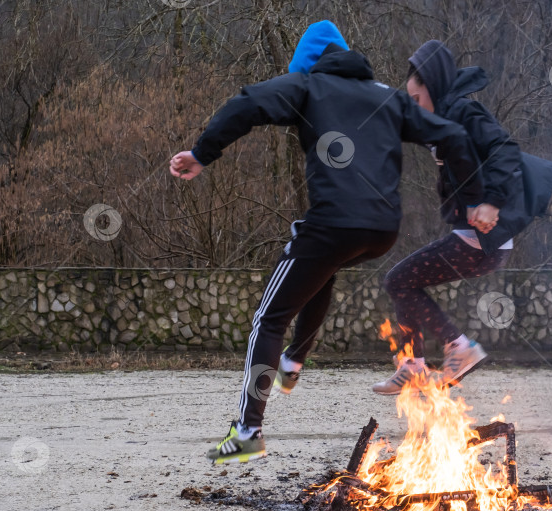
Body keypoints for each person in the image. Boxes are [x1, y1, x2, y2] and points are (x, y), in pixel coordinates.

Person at [170, 22, 483, 463]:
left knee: (268, 319)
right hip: (381, 230)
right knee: (323, 266)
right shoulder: (389, 96)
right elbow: (453, 135)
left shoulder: (307, 85)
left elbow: (247, 102)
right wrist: (472, 202)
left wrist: (203, 153)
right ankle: (294, 363)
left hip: (334, 223)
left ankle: (248, 432)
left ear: (308, 64)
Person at [372, 40, 531, 395]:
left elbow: (505, 150)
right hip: (475, 237)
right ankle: (413, 366)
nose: (415, 107)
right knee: (403, 283)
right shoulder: (438, 118)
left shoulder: (464, 113)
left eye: (416, 100)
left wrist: (492, 201)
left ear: (434, 87)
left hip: (483, 237)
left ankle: (459, 348)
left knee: (399, 280)